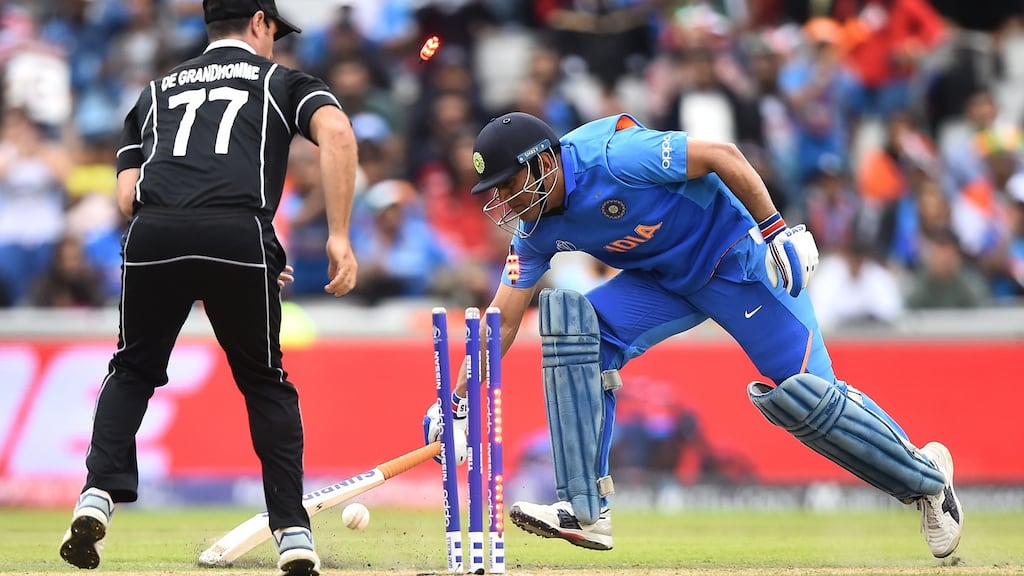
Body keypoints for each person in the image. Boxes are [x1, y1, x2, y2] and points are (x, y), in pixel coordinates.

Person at [424, 111, 962, 559]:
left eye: (508, 185)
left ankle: (927, 481)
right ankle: (586, 511)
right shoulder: (537, 228)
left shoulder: (614, 155)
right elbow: (505, 316)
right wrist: (458, 400)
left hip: (735, 262)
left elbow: (721, 154)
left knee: (807, 398)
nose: (505, 202)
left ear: (542, 162)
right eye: (493, 192)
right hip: (662, 283)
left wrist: (778, 230)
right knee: (575, 327)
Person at [58, 2, 358, 575]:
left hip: (153, 234)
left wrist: (185, 253)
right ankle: (293, 535)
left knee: (131, 370)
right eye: (275, 31)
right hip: (238, 234)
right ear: (259, 23)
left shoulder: (154, 93)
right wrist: (339, 236)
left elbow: (125, 198)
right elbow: (338, 132)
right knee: (265, 383)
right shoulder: (280, 81)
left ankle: (96, 496)